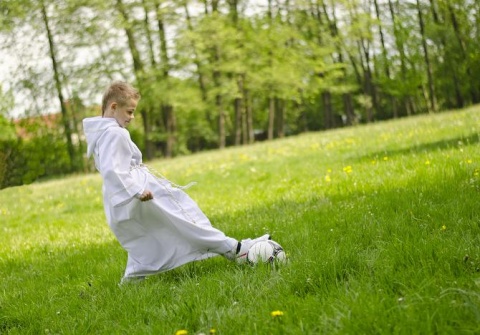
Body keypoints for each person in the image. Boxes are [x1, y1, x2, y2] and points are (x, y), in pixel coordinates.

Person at [82, 81, 270, 284]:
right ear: (113, 107)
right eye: (129, 112)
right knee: (184, 219)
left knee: (146, 236)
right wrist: (137, 190)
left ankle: (132, 279)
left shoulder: (102, 134)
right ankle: (235, 250)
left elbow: (112, 170)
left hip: (120, 198)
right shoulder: (114, 133)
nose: (132, 117)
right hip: (136, 193)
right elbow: (113, 169)